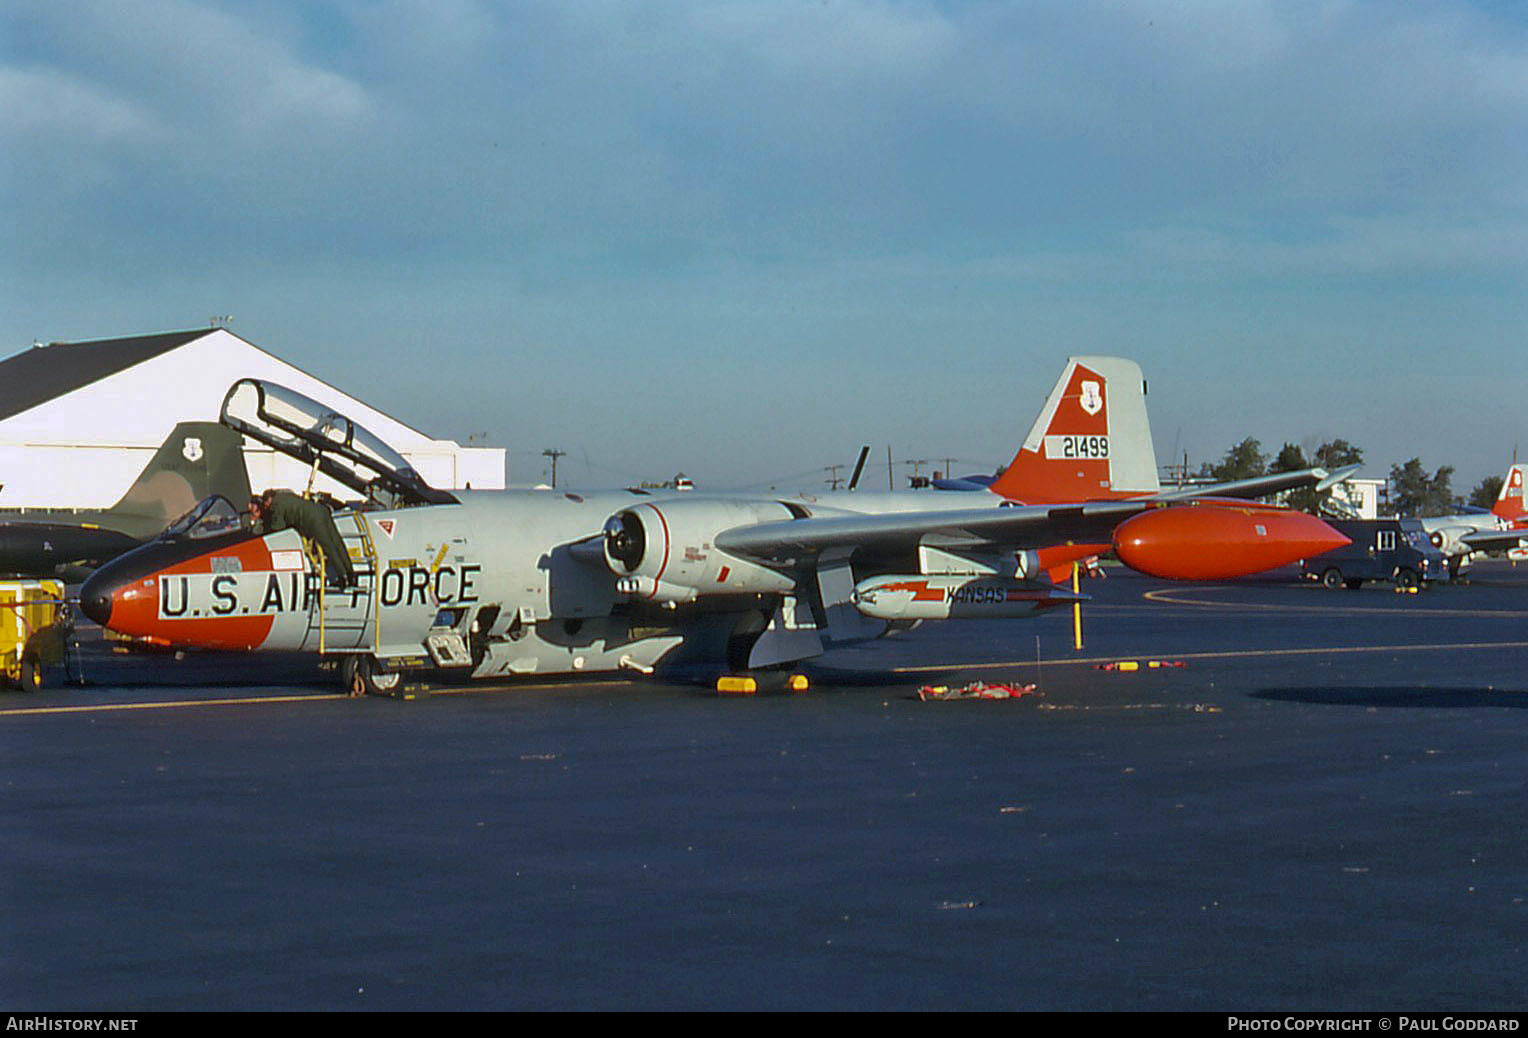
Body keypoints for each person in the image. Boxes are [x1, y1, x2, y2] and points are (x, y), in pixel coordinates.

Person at [248, 489, 357, 589]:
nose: (266, 506)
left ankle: (342, 577)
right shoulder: (286, 495)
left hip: (313, 519)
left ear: (269, 500)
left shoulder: (276, 505)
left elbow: (277, 527)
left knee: (328, 547)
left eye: (266, 504)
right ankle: (351, 573)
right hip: (321, 511)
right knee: (337, 542)